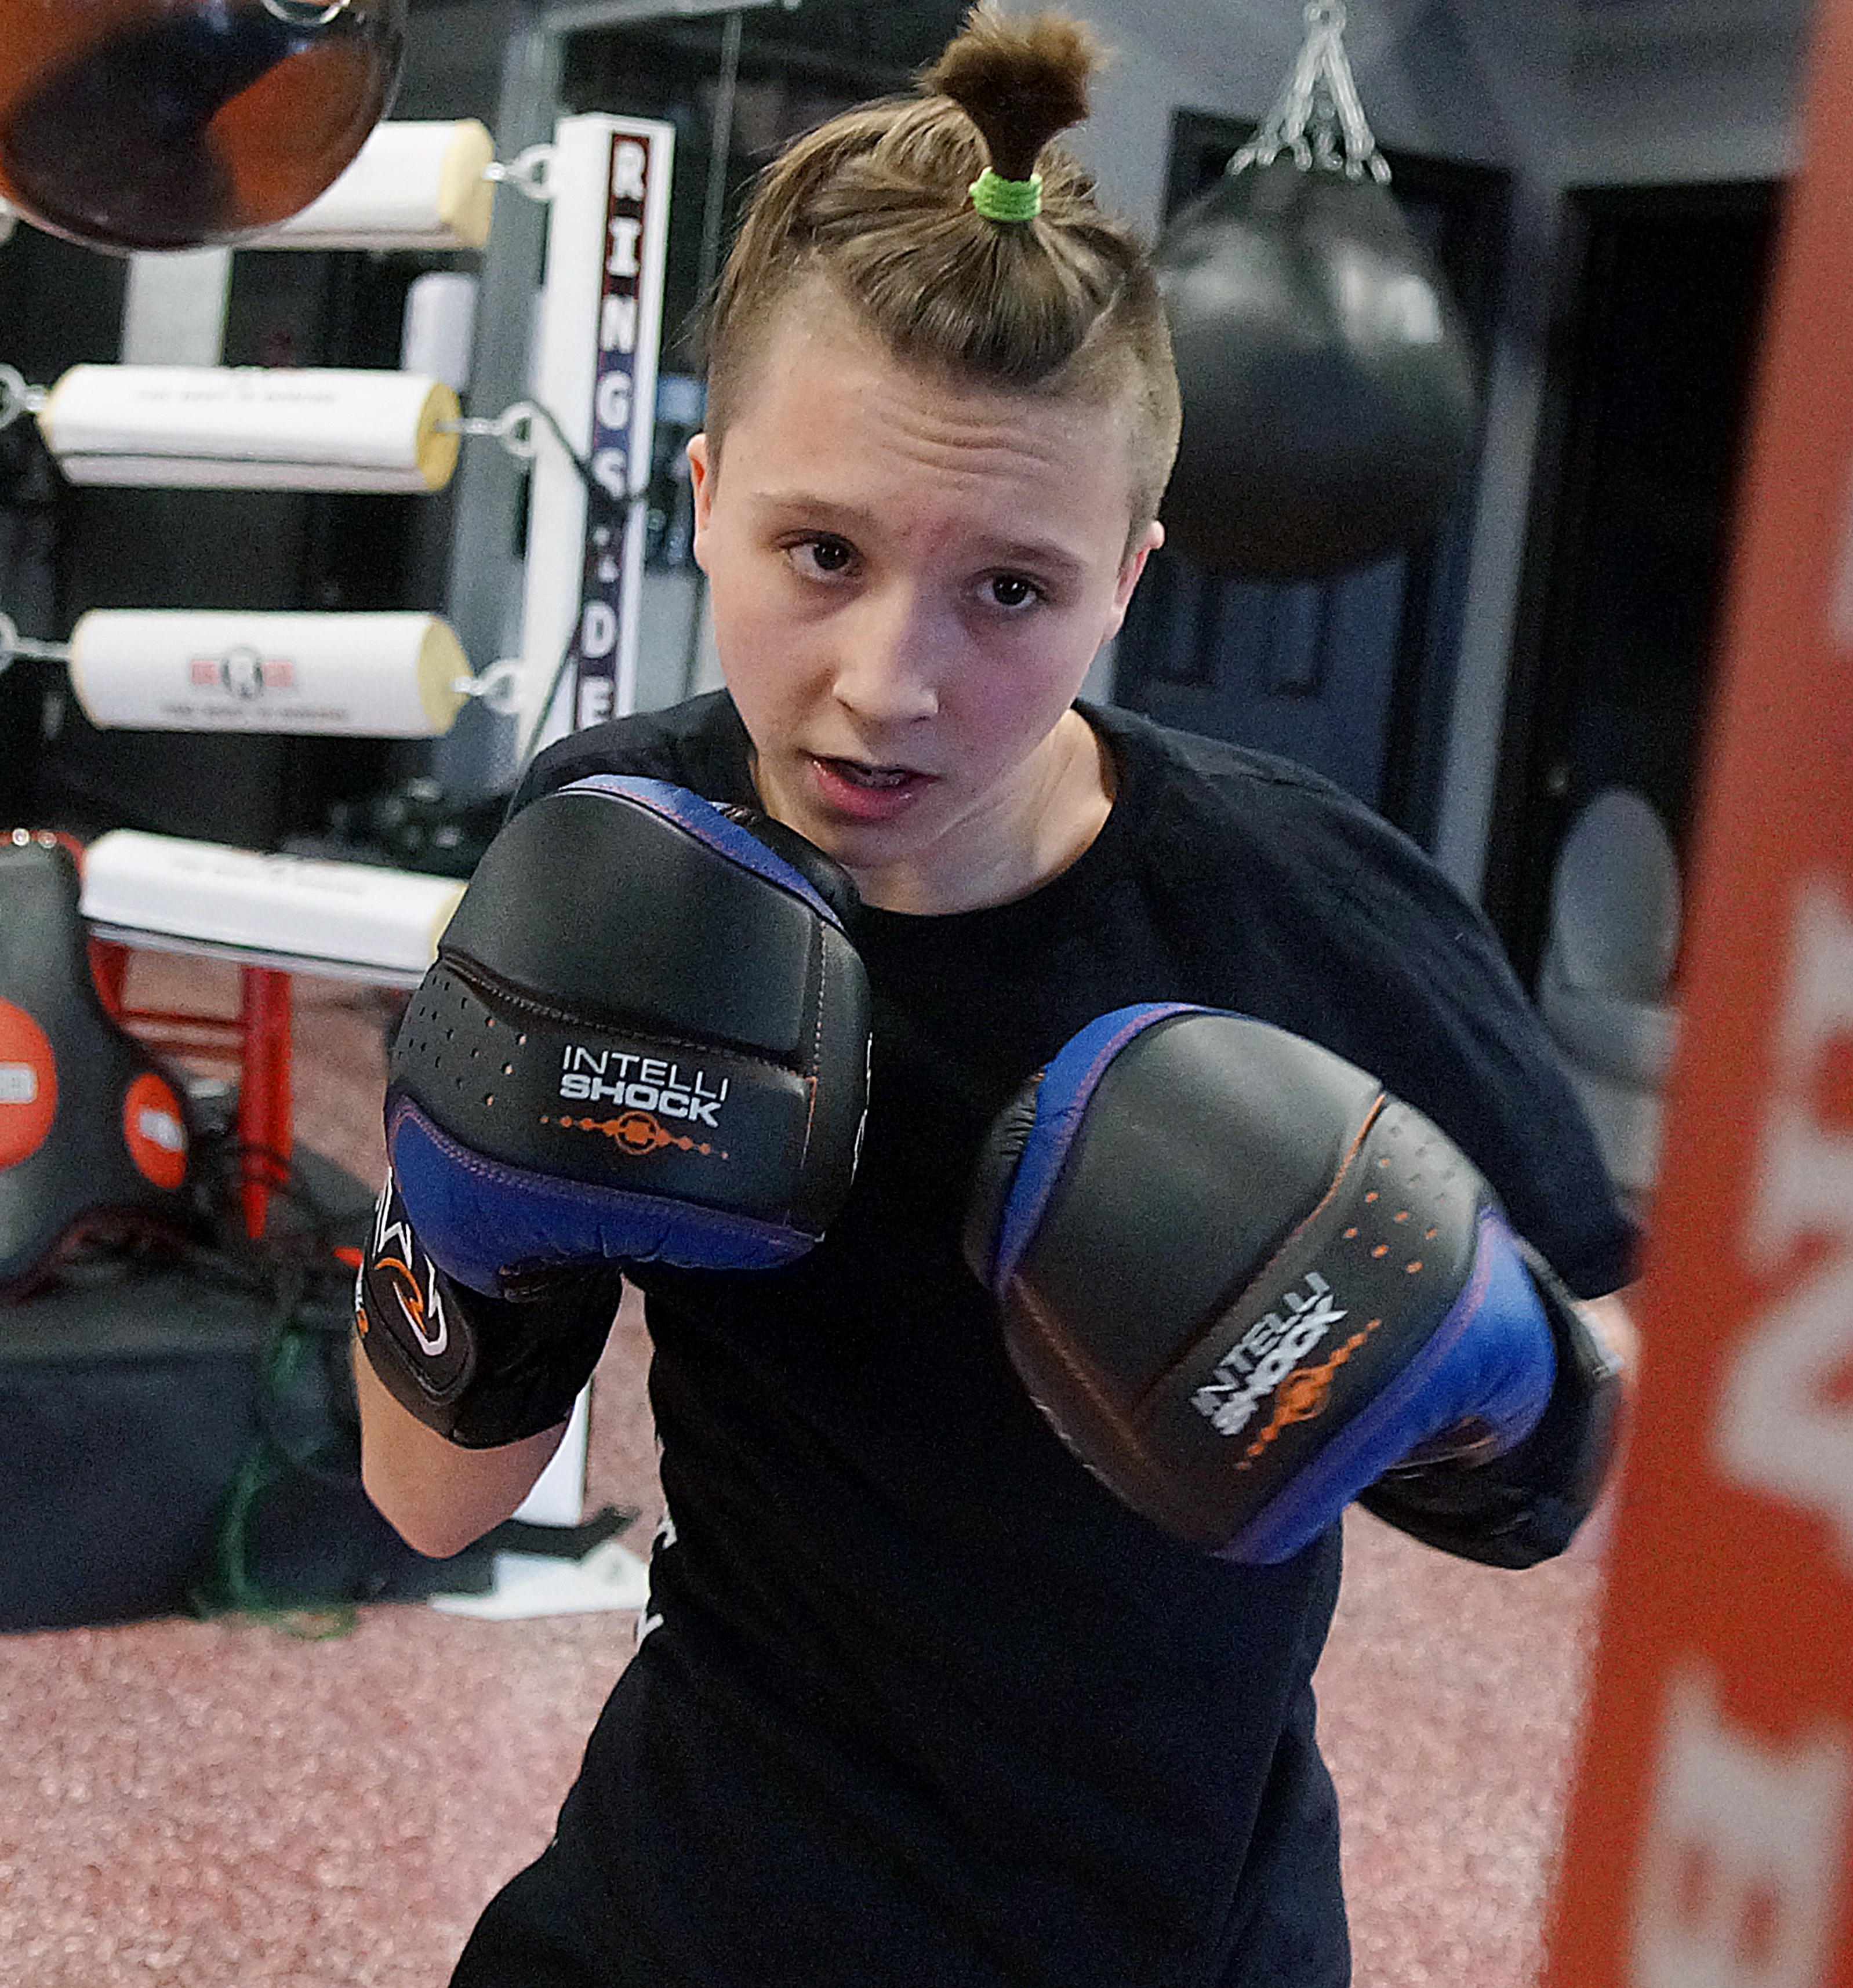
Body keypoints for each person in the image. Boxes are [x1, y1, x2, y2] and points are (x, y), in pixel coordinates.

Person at [350, 8, 1638, 1984]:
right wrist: (470, 1230)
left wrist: (1503, 1375)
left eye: (1009, 590)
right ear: (703, 501)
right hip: (703, 1892)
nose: (890, 678)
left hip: (1158, 1931)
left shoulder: (1299, 907)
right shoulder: (623, 843)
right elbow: (430, 1502)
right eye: (821, 551)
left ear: (1128, 575)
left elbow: (1607, 1411)